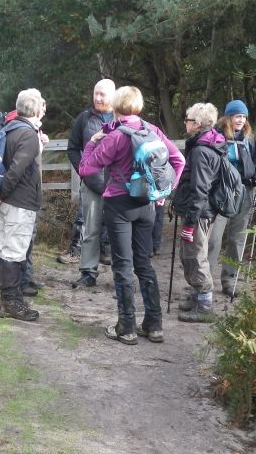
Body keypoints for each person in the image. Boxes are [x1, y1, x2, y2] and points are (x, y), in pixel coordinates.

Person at [78, 86, 185, 344]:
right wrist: (163, 193)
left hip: (119, 205)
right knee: (144, 264)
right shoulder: (152, 130)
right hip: (147, 206)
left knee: (123, 266)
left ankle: (126, 326)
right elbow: (179, 160)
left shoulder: (115, 137)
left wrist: (93, 143)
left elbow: (85, 168)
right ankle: (154, 324)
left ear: (116, 107)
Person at [0, 88, 46, 321]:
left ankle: (7, 301)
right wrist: (2, 194)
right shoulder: (28, 135)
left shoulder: (10, 129)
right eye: (42, 105)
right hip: (19, 203)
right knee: (13, 253)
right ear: (35, 109)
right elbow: (17, 169)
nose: (44, 109)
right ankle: (12, 303)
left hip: (7, 203)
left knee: (4, 250)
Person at [206, 99, 256, 298]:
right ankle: (204, 282)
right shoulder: (217, 136)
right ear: (228, 117)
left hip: (245, 191)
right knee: (214, 239)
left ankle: (230, 280)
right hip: (221, 193)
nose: (240, 120)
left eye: (243, 116)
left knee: (237, 238)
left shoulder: (249, 138)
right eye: (237, 116)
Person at [172, 102, 226, 323]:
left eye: (188, 119)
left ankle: (204, 307)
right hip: (201, 211)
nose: (185, 122)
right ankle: (197, 296)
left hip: (199, 213)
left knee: (195, 256)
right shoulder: (205, 145)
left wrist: (189, 222)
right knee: (190, 255)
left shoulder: (202, 151)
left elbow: (200, 189)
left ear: (198, 124)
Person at [67, 79, 116, 288]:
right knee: (90, 230)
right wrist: (83, 170)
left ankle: (121, 277)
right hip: (92, 184)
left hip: (118, 186)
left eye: (102, 94)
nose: (97, 98)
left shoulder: (123, 118)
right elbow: (72, 147)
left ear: (113, 96)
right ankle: (88, 272)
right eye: (95, 93)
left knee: (120, 232)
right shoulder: (84, 118)